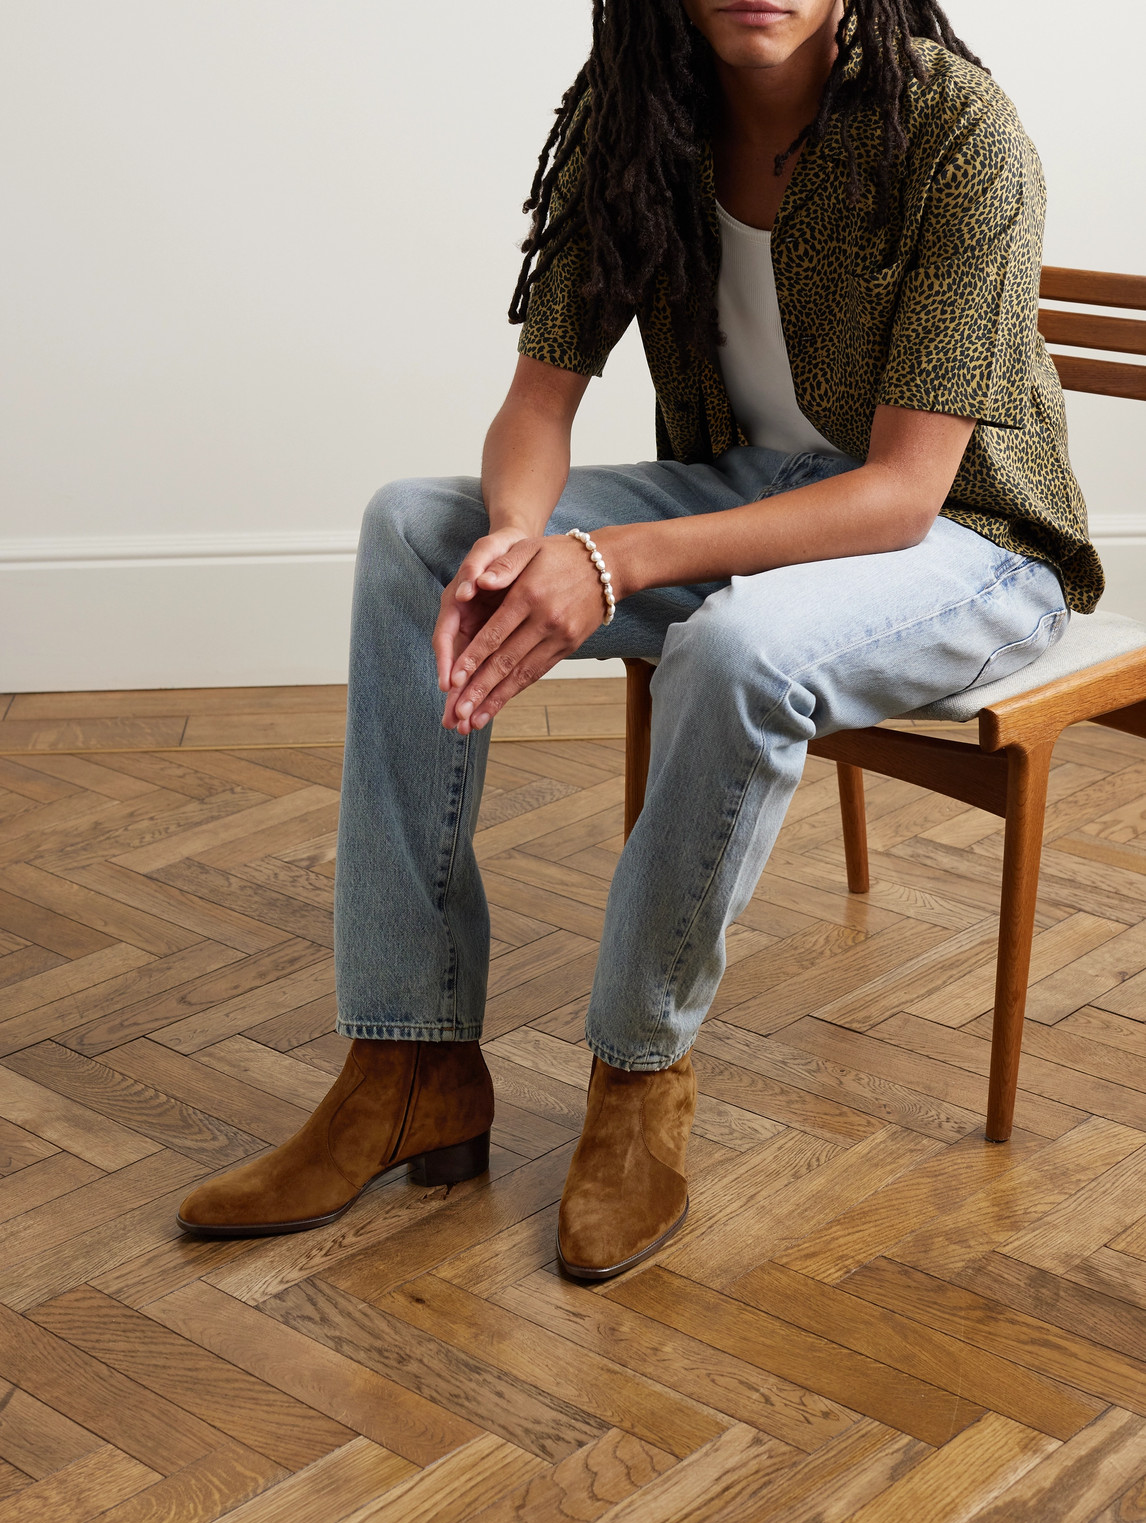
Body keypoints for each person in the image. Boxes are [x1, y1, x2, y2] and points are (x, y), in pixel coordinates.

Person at [177, 0, 1100, 1278]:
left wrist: (606, 564)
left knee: (738, 648)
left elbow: (901, 493)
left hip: (970, 545)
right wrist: (515, 543)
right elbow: (537, 400)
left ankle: (637, 1080)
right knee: (413, 531)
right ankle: (408, 1061)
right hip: (743, 490)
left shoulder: (955, 128)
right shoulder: (641, 116)